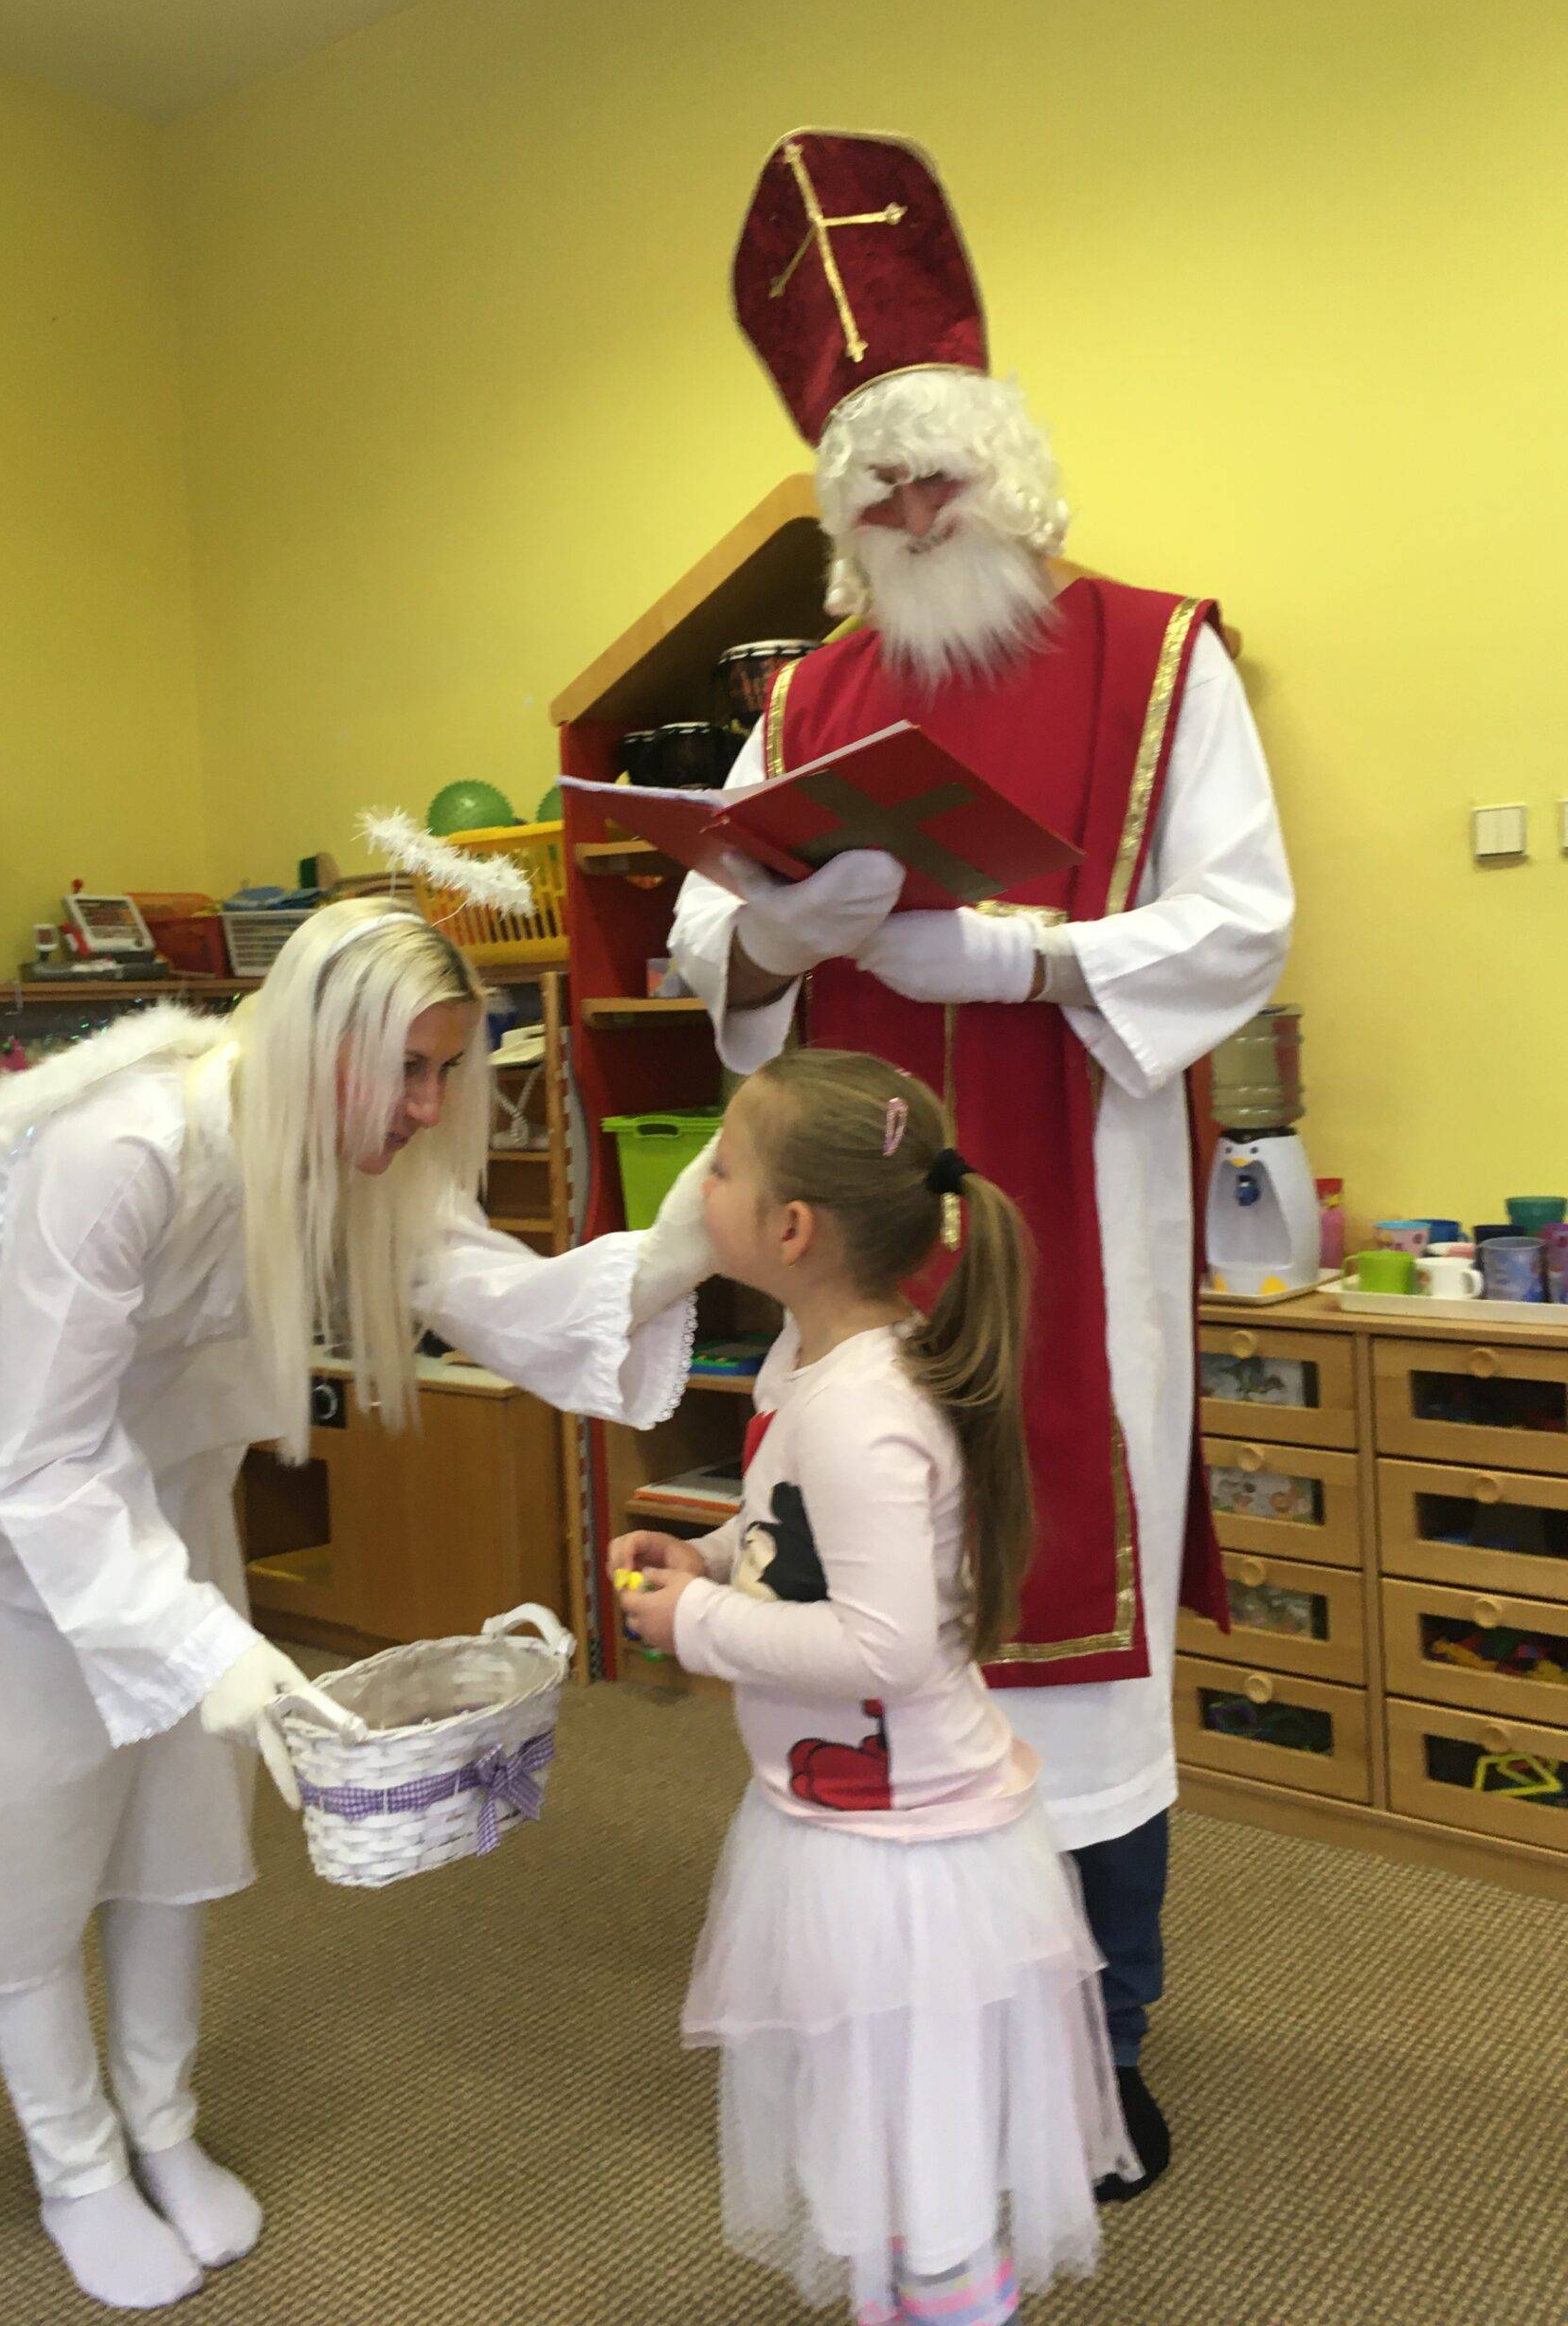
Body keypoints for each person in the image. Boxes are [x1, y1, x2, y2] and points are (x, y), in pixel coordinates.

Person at [0, 897, 713, 2311]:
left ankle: (162, 2125)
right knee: (23, 1826)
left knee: (174, 1807)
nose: (429, 1106)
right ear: (323, 1042)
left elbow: (486, 1290)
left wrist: (688, 1247)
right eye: (407, 1069)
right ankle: (76, 2165)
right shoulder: (127, 1147)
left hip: (144, 1472)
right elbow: (41, 1457)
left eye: (449, 1070)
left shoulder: (350, 1146)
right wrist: (210, 1645)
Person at [670, 128, 1293, 2188]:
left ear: (1007, 466)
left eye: (940, 472)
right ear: (840, 517)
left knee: (1074, 1656)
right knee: (870, 1614)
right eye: (878, 489)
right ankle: (915, 2035)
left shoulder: (1161, 655)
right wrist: (778, 935)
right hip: (855, 1263)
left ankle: (1102, 2046)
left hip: (1071, 1230)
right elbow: (698, 937)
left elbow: (1244, 920)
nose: (915, 510)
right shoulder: (807, 698)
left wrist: (1026, 957)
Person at [611, 1049, 1133, 2326]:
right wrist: (711, 1559)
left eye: (721, 1167)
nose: (700, 1185)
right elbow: (798, 1540)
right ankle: (909, 2286)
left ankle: (951, 2292)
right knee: (872, 2110)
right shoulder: (815, 1366)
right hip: (845, 1818)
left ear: (790, 1229)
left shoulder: (860, 1409)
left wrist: (698, 1625)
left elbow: (883, 1649)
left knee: (924, 2129)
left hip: (906, 1852)